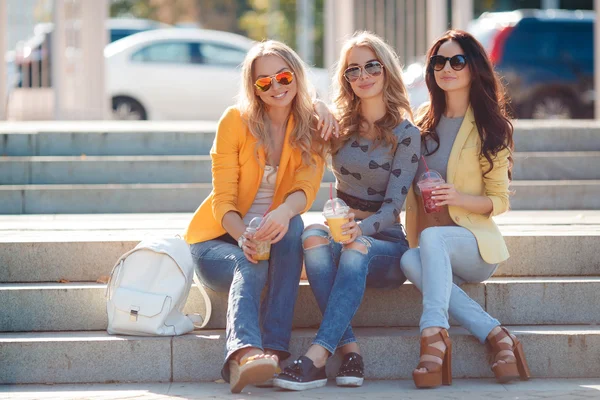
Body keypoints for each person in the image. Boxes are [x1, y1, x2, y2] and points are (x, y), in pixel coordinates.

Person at [273, 31, 420, 391]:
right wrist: (320, 105)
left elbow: (393, 207)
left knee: (355, 247)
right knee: (310, 235)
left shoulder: (406, 133)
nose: (363, 76)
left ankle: (317, 357)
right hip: (341, 232)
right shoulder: (337, 127)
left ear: (386, 70)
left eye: (372, 66)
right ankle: (351, 352)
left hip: (383, 241)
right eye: (353, 70)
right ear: (346, 80)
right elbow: (290, 103)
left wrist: (362, 229)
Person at [183, 40, 332, 394]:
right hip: (217, 240)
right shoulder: (234, 121)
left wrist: (282, 210)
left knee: (295, 223)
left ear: (296, 75)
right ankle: (245, 353)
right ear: (253, 87)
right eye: (264, 82)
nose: (276, 87)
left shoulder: (310, 126)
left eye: (283, 77)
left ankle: (275, 351)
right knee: (249, 263)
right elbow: (222, 200)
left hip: (272, 233)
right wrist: (243, 237)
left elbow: (306, 186)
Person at [400, 30, 531, 389]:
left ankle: (433, 336)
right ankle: (497, 336)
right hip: (431, 241)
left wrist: (457, 197)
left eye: (457, 61)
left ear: (474, 68)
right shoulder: (422, 123)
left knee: (433, 240)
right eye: (438, 62)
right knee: (408, 261)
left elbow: (499, 201)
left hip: (473, 245)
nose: (447, 68)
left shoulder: (492, 126)